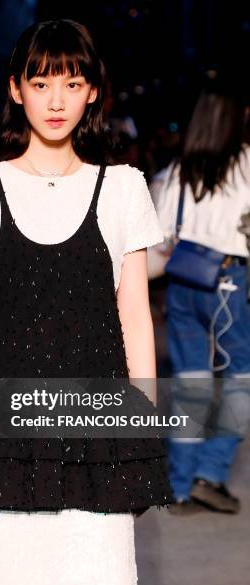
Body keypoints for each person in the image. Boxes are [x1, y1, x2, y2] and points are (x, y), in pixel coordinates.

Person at [0, 19, 173, 585]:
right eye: (40, 82)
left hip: (96, 433)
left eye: (72, 82)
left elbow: (135, 317)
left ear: (92, 92)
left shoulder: (123, 189)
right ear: (15, 89)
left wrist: (142, 435)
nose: (55, 100)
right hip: (0, 438)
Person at [152, 84, 250, 516]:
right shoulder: (246, 164)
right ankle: (210, 476)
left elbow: (159, 240)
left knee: (190, 383)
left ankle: (178, 484)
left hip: (182, 282)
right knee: (240, 380)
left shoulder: (176, 172)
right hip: (230, 282)